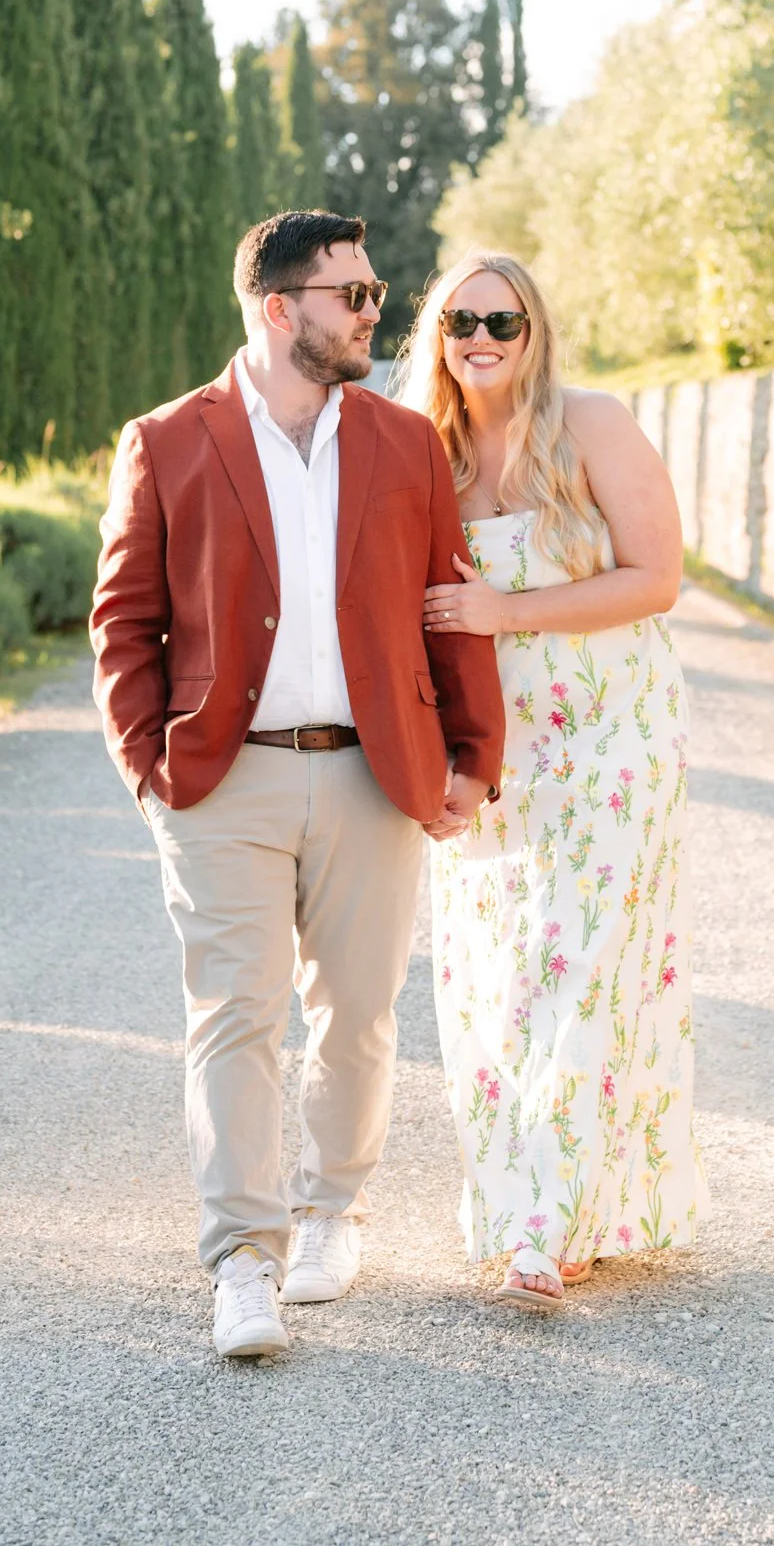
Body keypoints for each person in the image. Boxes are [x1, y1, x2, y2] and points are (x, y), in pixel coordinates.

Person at [90, 209, 504, 1358]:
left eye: (375, 292)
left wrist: (473, 755)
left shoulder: (404, 443)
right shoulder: (166, 440)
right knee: (234, 1014)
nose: (375, 312)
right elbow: (123, 623)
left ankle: (332, 1212)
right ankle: (242, 1261)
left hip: (374, 772)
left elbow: (446, 604)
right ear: (279, 308)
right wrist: (149, 771)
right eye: (351, 294)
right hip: (223, 779)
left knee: (358, 1015)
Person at [403, 249, 707, 1306]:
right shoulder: (421, 454)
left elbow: (656, 578)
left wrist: (508, 611)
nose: (481, 338)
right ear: (436, 338)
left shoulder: (593, 425)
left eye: (503, 320)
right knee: (499, 978)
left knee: (583, 964)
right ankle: (546, 1205)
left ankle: (544, 1225)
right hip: (496, 754)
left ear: (533, 332)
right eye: (460, 322)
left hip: (615, 736)